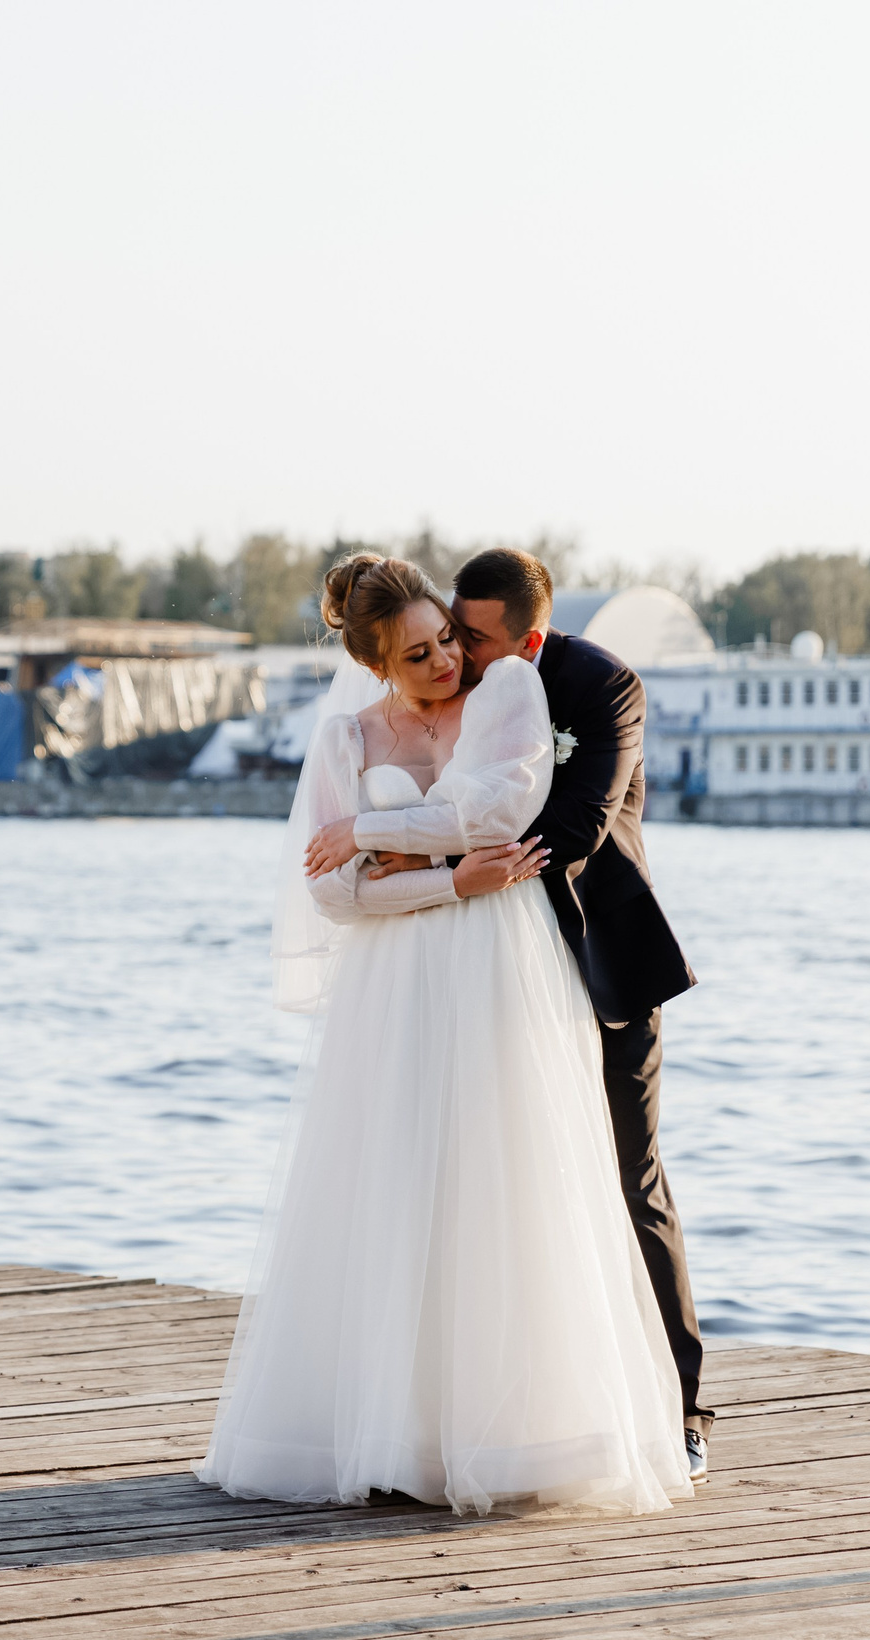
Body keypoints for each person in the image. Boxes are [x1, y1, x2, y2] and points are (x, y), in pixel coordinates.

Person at [194, 553, 690, 1515]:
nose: (443, 663)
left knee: (502, 1177)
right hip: (398, 974)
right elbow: (334, 892)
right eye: (418, 654)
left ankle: (513, 1432)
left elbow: (498, 809)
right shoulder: (345, 737)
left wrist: (380, 837)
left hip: (500, 961)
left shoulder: (506, 691)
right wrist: (444, 879)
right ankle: (392, 1430)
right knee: (392, 1181)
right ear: (379, 662)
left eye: (448, 641)